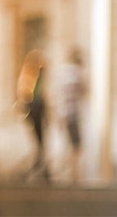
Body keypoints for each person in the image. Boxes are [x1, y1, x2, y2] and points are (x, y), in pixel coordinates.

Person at [16, 49, 49, 181]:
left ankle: (42, 168)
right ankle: (38, 168)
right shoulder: (28, 76)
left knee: (40, 142)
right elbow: (25, 95)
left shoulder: (38, 77)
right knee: (38, 142)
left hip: (38, 110)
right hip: (34, 110)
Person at [57, 47, 86, 183]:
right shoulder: (75, 74)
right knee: (76, 146)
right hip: (72, 114)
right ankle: (74, 174)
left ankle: (70, 172)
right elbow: (83, 91)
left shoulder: (63, 73)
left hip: (63, 113)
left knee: (69, 144)